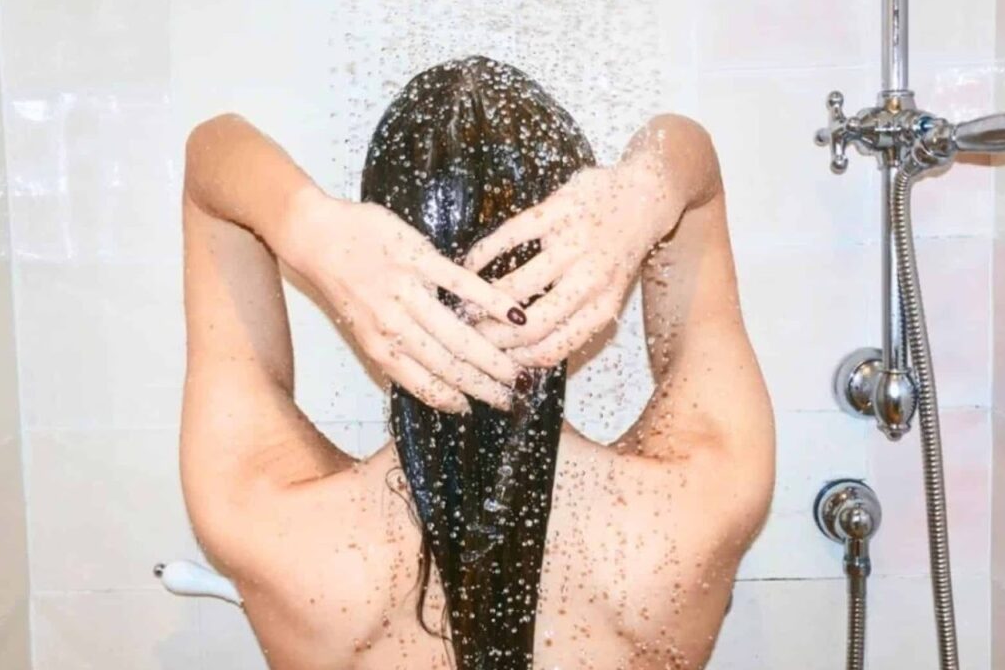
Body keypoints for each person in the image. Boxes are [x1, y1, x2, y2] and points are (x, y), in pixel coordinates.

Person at [179, 57, 774, 670]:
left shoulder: (278, 534)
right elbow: (696, 176)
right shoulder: (694, 510)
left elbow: (208, 164)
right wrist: (649, 186)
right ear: (583, 274)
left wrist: (305, 224)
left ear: (369, 280)